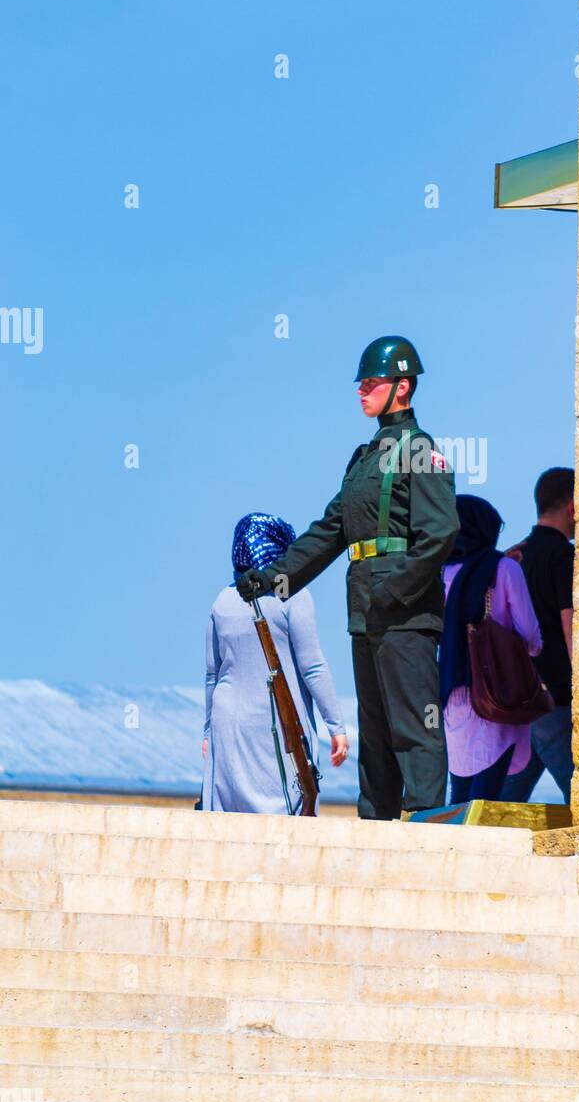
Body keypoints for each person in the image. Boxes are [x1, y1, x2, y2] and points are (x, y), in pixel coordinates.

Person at [236, 337, 459, 821]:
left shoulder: (420, 449)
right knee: (374, 727)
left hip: (404, 611)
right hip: (366, 609)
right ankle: (375, 823)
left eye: (371, 382)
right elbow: (330, 531)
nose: (362, 390)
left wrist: (394, 589)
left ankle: (426, 826)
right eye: (361, 383)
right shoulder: (365, 457)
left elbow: (440, 532)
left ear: (402, 387)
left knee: (414, 726)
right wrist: (274, 579)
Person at [202, 513, 349, 814]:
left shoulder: (222, 600)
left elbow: (212, 675)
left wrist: (206, 733)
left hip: (227, 725)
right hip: (279, 725)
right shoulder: (293, 595)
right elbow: (313, 667)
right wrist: (336, 725)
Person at [440, 495, 542, 804]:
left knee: (459, 791)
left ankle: (451, 848)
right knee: (487, 794)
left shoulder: (439, 573)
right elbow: (531, 636)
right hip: (497, 692)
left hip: (452, 689)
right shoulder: (505, 569)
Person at [500, 467, 575, 804]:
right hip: (554, 696)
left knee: (501, 805)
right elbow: (568, 622)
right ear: (573, 506)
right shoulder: (562, 555)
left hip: (518, 697)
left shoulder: (515, 556)